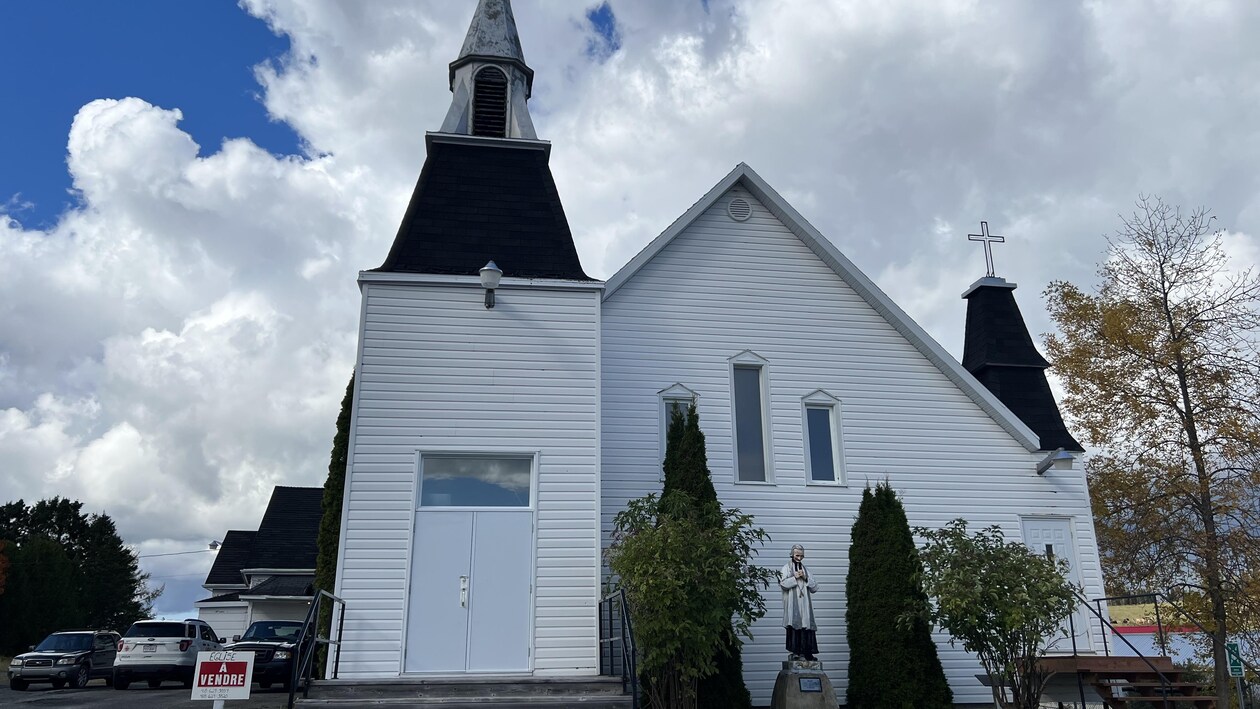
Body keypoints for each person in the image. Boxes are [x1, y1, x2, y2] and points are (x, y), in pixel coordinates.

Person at [780, 544, 819, 661]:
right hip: (793, 604)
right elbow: (783, 584)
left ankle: (807, 652)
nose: (799, 558)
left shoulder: (806, 570)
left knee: (807, 627)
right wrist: (795, 578)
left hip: (805, 605)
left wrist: (805, 577)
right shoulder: (786, 568)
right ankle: (796, 651)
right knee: (795, 625)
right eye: (797, 555)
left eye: (802, 556)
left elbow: (815, 587)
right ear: (792, 554)